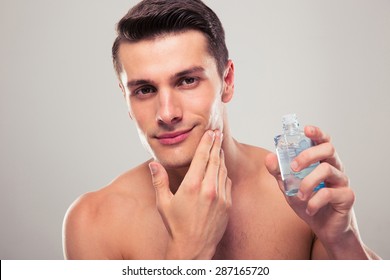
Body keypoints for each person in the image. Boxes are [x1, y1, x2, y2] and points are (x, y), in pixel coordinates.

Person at [62, 0, 380, 260]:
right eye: (144, 89)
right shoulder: (93, 222)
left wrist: (343, 240)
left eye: (187, 80)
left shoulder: (298, 198)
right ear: (126, 98)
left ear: (227, 81)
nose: (167, 113)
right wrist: (188, 253)